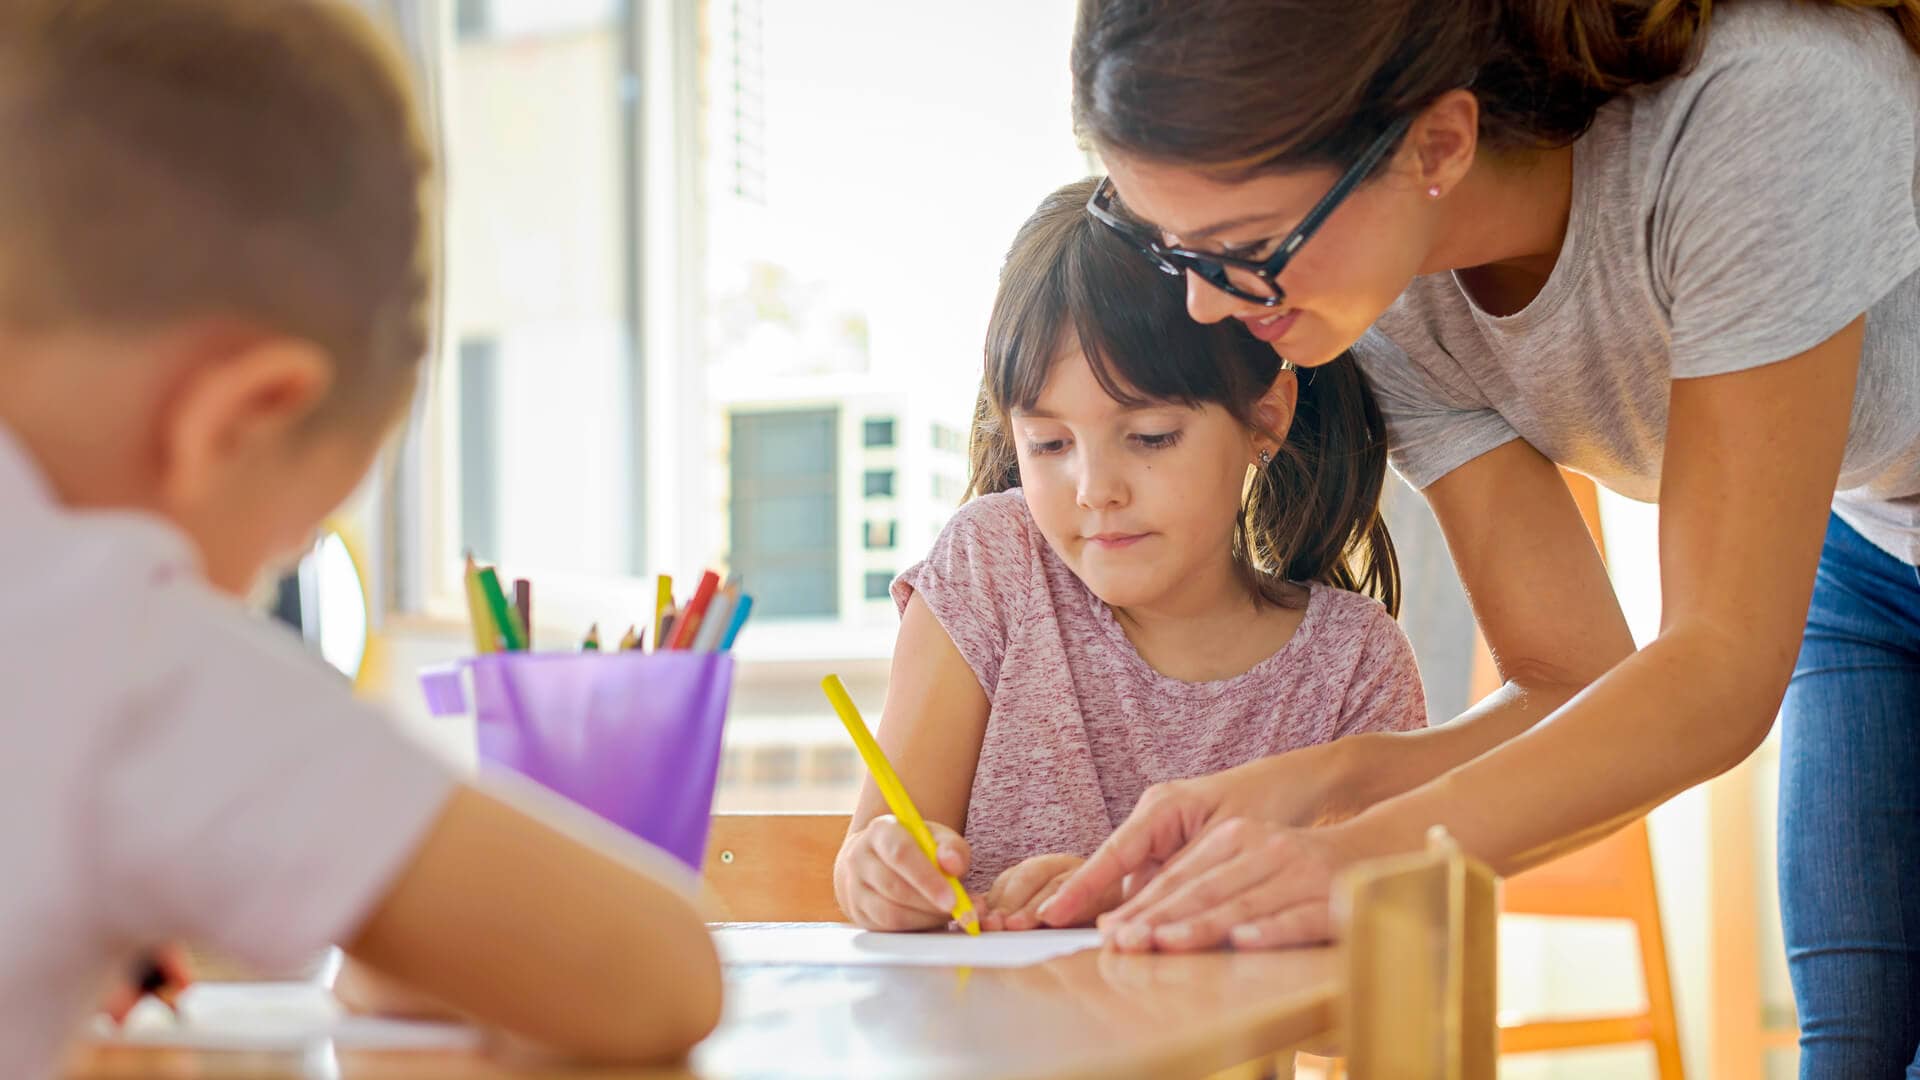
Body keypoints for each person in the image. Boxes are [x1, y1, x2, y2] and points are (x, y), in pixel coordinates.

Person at [1036, 2, 1920, 1074]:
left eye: (1246, 251)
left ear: (1438, 144)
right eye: (1171, 249)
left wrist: (1364, 857)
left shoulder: (1758, 108)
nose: (1210, 308)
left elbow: (1721, 665)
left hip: (1854, 538)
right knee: (1859, 1045)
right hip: (1870, 544)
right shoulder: (1390, 305)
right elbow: (1571, 677)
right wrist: (1331, 786)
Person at [0, 2, 719, 1075]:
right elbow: (657, 972)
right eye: (274, 553)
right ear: (235, 420)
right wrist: (410, 924)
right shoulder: (113, 635)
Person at [832, 178, 1425, 933]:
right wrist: (877, 874)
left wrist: (1125, 904)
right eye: (1048, 444)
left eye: (1149, 438)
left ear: (1264, 420)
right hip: (979, 1045)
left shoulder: (1353, 663)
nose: (1095, 490)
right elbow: (876, 857)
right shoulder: (993, 564)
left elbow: (1380, 958)